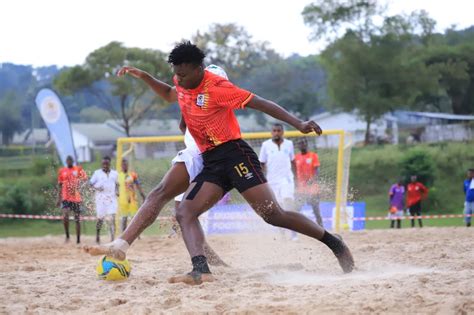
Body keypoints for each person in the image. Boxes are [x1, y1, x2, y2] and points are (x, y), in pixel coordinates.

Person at [120, 41, 354, 285]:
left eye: (183, 74)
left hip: (236, 155)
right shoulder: (181, 81)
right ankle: (201, 270)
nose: (179, 79)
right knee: (184, 212)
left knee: (273, 215)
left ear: (199, 69)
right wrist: (145, 76)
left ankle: (333, 241)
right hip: (212, 162)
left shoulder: (219, 88)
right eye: (176, 73)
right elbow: (170, 93)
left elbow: (262, 103)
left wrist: (299, 124)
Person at [82, 65, 229, 266]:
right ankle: (216, 265)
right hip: (212, 158)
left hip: (199, 154)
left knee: (159, 196)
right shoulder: (213, 96)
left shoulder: (204, 94)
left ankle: (121, 244)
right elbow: (176, 107)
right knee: (183, 218)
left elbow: (171, 98)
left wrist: (144, 75)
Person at [259, 123, 297, 240]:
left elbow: (293, 162)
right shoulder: (265, 145)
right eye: (274, 131)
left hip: (287, 179)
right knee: (277, 208)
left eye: (279, 131)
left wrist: (296, 177)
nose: (276, 133)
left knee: (288, 202)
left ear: (282, 132)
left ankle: (294, 232)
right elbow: (261, 163)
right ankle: (282, 234)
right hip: (272, 181)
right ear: (271, 132)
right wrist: (262, 180)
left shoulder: (289, 144)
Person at [57, 155, 87, 244]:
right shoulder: (62, 171)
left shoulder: (78, 169)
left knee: (77, 219)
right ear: (66, 161)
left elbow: (85, 179)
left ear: (73, 161)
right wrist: (58, 199)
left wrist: (80, 185)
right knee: (65, 216)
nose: (69, 162)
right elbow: (60, 185)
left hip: (76, 198)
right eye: (68, 160)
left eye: (71, 160)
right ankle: (67, 236)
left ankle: (78, 240)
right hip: (66, 197)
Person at [90, 156, 119, 243]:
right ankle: (97, 236)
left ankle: (112, 237)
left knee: (112, 217)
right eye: (103, 164)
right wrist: (98, 188)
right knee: (100, 219)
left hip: (112, 199)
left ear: (110, 163)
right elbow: (90, 183)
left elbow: (117, 184)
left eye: (106, 163)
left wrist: (117, 191)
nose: (105, 165)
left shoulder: (115, 173)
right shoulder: (97, 173)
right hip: (100, 199)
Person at [294, 138, 322, 226]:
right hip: (300, 188)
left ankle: (322, 228)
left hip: (312, 188)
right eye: (300, 143)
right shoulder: (295, 157)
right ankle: (294, 232)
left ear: (306, 144)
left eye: (303, 143)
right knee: (296, 210)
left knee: (316, 210)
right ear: (297, 146)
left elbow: (317, 170)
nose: (302, 145)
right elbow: (293, 172)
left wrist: (313, 180)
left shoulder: (313, 156)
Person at [118, 159, 146, 232]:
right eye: (123, 165)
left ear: (128, 165)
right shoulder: (118, 176)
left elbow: (138, 185)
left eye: (126, 165)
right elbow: (116, 187)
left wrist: (143, 195)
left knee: (134, 218)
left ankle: (137, 233)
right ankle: (123, 234)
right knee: (124, 218)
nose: (124, 166)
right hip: (123, 200)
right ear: (121, 166)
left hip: (132, 200)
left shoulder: (133, 175)